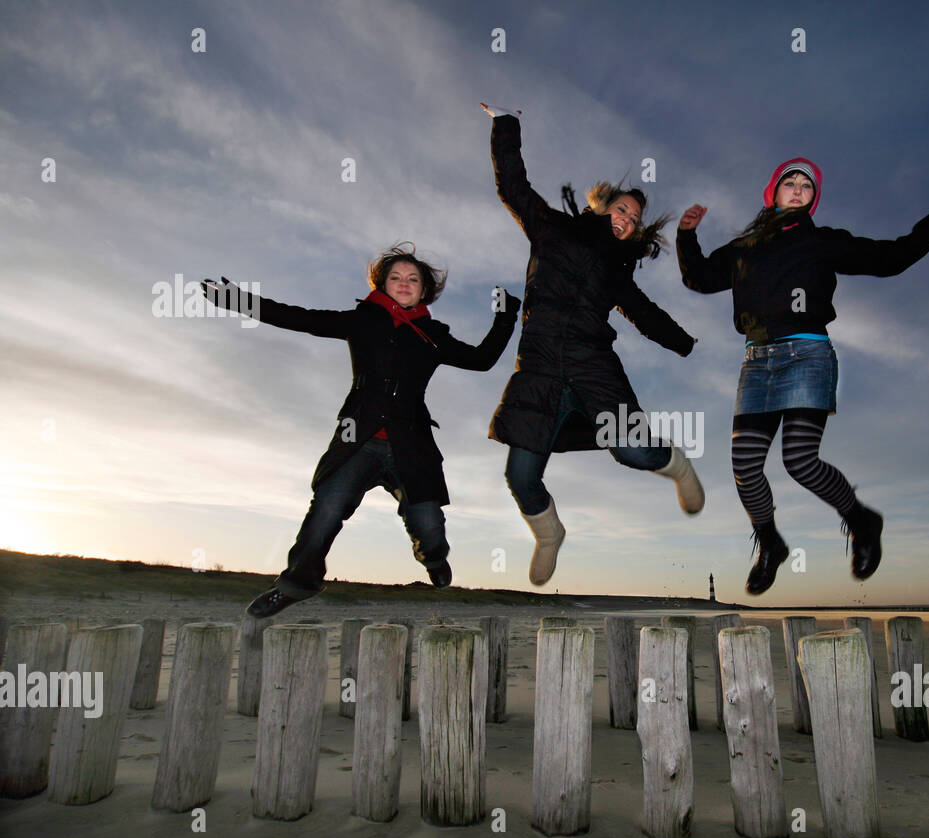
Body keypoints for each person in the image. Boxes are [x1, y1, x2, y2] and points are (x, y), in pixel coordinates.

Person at [677, 160, 929, 594]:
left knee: (799, 461)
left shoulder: (823, 241)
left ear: (812, 199)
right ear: (773, 191)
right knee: (745, 468)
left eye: (807, 185)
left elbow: (891, 257)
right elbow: (699, 278)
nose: (798, 188)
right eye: (790, 181)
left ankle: (862, 521)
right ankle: (771, 545)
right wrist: (686, 235)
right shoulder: (744, 247)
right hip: (757, 364)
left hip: (808, 354)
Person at [200, 244, 520, 616]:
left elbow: (481, 361)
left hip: (411, 443)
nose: (404, 283)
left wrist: (505, 315)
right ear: (382, 285)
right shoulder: (362, 320)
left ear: (425, 290)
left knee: (429, 525)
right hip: (358, 440)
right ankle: (296, 585)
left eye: (413, 279)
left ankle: (432, 556)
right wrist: (239, 301)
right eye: (395, 277)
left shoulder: (432, 336)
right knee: (325, 512)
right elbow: (299, 318)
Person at [482, 103, 703, 587]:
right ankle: (549, 534)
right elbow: (513, 187)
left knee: (631, 452)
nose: (627, 218)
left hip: (593, 368)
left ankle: (678, 465)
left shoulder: (615, 271)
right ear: (602, 205)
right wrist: (506, 123)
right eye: (622, 208)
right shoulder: (550, 229)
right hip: (538, 368)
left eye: (635, 218)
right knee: (520, 478)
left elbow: (644, 314)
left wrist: (684, 343)